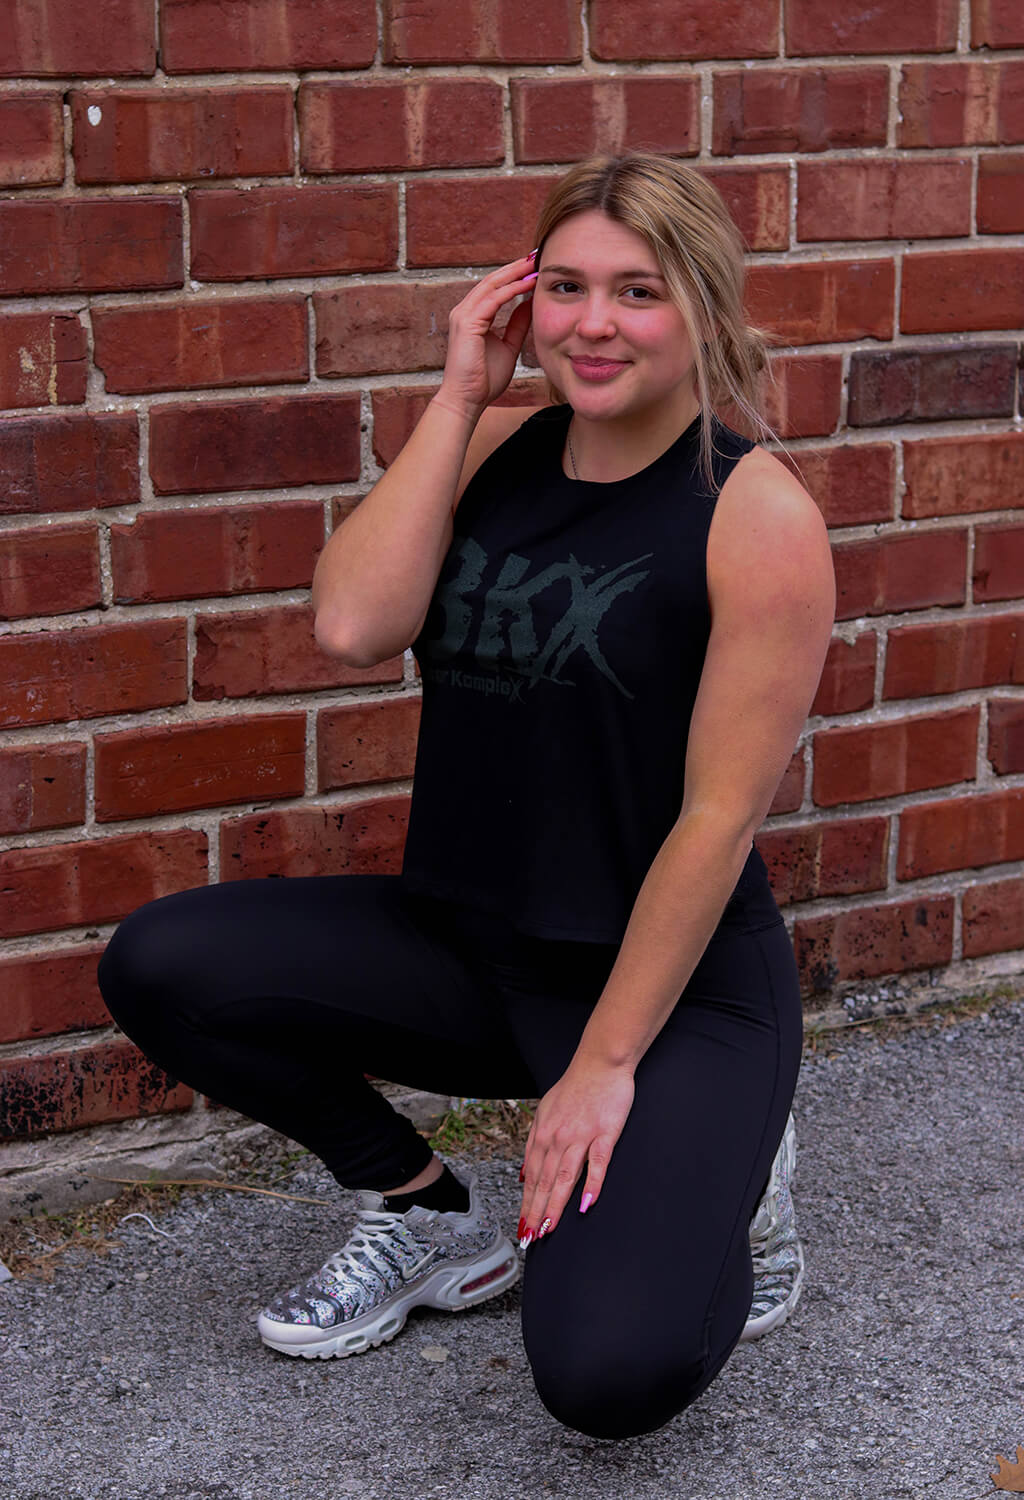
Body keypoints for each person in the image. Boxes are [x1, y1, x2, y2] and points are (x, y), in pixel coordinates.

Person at [98, 152, 835, 1440]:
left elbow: (718, 820)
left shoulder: (754, 512)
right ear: (521, 298)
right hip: (473, 947)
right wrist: (454, 397)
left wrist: (606, 1069)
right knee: (164, 964)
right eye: (564, 287)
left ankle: (736, 1177)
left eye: (638, 292)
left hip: (667, 995)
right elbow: (349, 622)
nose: (592, 324)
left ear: (703, 308)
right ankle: (426, 1209)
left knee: (607, 1375)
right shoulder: (494, 441)